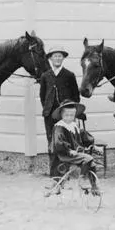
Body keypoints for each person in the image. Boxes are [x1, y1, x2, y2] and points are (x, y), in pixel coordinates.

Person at [39, 46, 82, 176]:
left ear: (63, 58)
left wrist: (69, 113)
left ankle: (68, 172)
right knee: (52, 142)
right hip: (50, 116)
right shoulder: (45, 76)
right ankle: (54, 174)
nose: (57, 58)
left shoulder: (69, 75)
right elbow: (42, 96)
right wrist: (48, 108)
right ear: (50, 59)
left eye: (60, 56)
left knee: (66, 142)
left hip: (66, 116)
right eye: (54, 56)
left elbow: (76, 97)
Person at [51, 101, 101, 195]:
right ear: (61, 115)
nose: (69, 117)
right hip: (66, 154)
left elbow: (84, 138)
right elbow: (58, 143)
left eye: (72, 115)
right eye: (66, 115)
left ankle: (94, 186)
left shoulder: (74, 126)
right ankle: (82, 180)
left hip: (76, 153)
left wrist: (93, 145)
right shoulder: (59, 127)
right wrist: (69, 150)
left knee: (92, 164)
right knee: (88, 159)